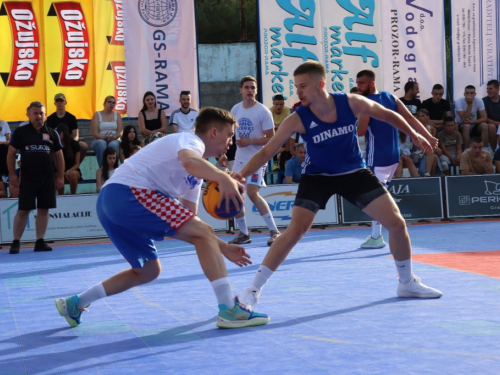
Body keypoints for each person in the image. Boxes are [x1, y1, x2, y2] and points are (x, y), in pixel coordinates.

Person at [234, 62, 441, 309]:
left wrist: (416, 135)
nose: (298, 92)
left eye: (303, 86)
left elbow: (389, 115)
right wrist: (240, 175)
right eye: (296, 86)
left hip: (354, 172)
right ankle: (253, 289)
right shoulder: (297, 118)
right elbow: (268, 150)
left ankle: (406, 282)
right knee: (294, 232)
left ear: (320, 84)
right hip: (317, 177)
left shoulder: (350, 102)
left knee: (397, 223)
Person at [55, 107, 270, 329]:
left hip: (111, 202)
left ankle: (76, 303)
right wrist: (221, 178)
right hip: (129, 193)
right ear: (214, 132)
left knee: (148, 270)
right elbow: (189, 163)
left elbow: (190, 220)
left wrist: (222, 247)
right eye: (229, 135)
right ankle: (228, 309)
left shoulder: (196, 175)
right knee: (202, 232)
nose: (230, 142)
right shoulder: (190, 141)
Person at [356, 69, 435, 248]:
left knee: (376, 199)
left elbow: (360, 131)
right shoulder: (390, 97)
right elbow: (409, 119)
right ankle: (376, 235)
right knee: (380, 196)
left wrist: (353, 117)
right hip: (393, 156)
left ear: (372, 83)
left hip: (377, 157)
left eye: (362, 83)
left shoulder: (366, 103)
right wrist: (427, 136)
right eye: (358, 83)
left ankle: (382, 235)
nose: (358, 86)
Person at [223, 76, 280, 246]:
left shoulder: (263, 111)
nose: (250, 90)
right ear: (240, 90)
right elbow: (229, 133)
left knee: (252, 193)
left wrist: (250, 142)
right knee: (235, 194)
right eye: (247, 87)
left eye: (253, 88)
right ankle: (243, 233)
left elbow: (272, 138)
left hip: (257, 159)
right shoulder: (236, 109)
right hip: (240, 159)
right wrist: (223, 152)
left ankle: (274, 231)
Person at [7, 101, 64, 254]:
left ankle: (40, 241)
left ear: (45, 115)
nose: (39, 116)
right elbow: (11, 153)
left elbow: (59, 155)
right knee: (23, 210)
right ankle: (16, 242)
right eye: (35, 113)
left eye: (41, 113)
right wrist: (13, 174)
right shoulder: (20, 132)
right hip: (27, 178)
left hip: (47, 178)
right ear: (28, 114)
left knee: (43, 209)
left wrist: (60, 177)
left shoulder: (52, 132)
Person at [46, 93, 88, 163]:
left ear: (65, 102)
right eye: (57, 101)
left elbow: (76, 135)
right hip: (56, 143)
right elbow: (49, 135)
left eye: (61, 101)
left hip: (69, 142)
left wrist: (70, 143)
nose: (59, 103)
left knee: (84, 146)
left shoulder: (71, 117)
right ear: (54, 103)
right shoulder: (50, 118)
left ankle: (75, 166)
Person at [455, 85, 493, 151]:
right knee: (466, 126)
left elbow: (484, 118)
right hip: (461, 125)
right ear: (464, 94)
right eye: (467, 93)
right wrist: (470, 105)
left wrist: (472, 122)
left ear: (475, 94)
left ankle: (485, 149)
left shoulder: (479, 100)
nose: (469, 95)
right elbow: (464, 119)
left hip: (473, 124)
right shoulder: (458, 101)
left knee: (484, 125)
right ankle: (466, 150)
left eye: (472, 93)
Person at [91, 96, 123, 168]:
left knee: (113, 145)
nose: (111, 104)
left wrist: (114, 137)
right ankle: (103, 169)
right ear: (104, 103)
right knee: (101, 143)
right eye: (109, 102)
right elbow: (94, 133)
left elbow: (120, 132)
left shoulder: (117, 115)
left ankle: (113, 169)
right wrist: (102, 137)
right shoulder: (97, 114)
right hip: (100, 138)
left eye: (113, 103)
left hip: (114, 139)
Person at [56, 124, 81, 195]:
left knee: (73, 174)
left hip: (72, 169)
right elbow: (55, 163)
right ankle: (60, 195)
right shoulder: (55, 145)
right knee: (58, 175)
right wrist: (62, 172)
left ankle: (73, 194)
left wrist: (68, 171)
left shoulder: (74, 144)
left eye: (59, 133)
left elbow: (77, 163)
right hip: (59, 169)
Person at [270, 94, 292, 171]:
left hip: (284, 134)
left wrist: (277, 126)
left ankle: (284, 159)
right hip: (275, 134)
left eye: (281, 104)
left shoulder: (286, 110)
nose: (279, 106)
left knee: (289, 133)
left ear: (283, 104)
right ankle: (276, 161)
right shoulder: (269, 111)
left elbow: (288, 124)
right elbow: (269, 126)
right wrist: (279, 126)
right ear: (273, 104)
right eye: (277, 104)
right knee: (273, 133)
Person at [482, 79, 500, 151]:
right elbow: (484, 118)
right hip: (490, 124)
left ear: (497, 88)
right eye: (487, 89)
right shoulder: (484, 101)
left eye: (490, 89)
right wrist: (498, 123)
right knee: (492, 127)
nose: (488, 91)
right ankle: (495, 152)